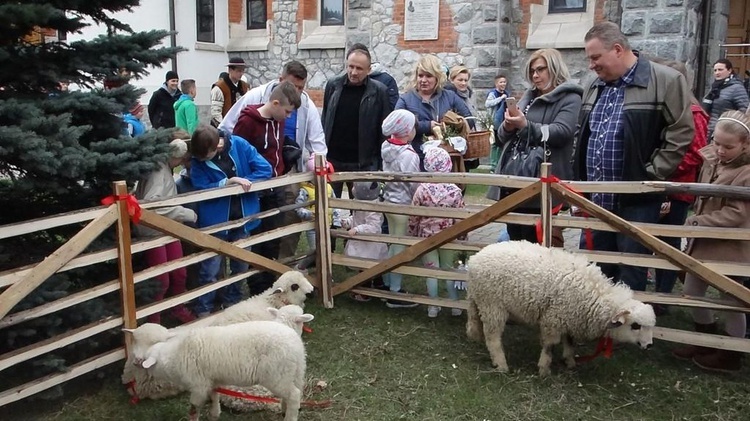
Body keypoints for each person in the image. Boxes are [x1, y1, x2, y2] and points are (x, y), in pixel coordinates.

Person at [572, 22, 694, 291]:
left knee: (631, 270)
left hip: (637, 201)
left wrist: (650, 173)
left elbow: (681, 131)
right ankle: (597, 329)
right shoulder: (594, 85)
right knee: (595, 270)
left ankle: (628, 332)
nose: (591, 65)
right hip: (596, 199)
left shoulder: (666, 81)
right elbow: (583, 132)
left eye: (595, 57)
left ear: (617, 50)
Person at [220, 61, 329, 260]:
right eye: (293, 86)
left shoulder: (305, 103)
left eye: (301, 88)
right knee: (256, 223)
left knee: (287, 219)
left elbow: (317, 139)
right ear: (281, 81)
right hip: (255, 177)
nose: (297, 92)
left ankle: (281, 264)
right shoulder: (256, 97)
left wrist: (319, 164)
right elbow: (228, 128)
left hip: (286, 172)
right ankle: (256, 265)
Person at [671, 111, 750, 372]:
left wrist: (699, 221)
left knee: (732, 298)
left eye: (728, 146)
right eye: (716, 142)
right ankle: (705, 339)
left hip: (729, 247)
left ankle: (732, 353)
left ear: (745, 145)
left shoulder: (745, 173)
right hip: (704, 243)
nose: (720, 150)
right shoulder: (712, 162)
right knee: (692, 292)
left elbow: (737, 213)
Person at [487, 48, 582, 245]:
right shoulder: (527, 97)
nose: (535, 75)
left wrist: (525, 126)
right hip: (516, 180)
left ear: (554, 69)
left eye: (540, 70)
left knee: (539, 245)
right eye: (532, 71)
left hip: (543, 184)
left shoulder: (570, 98)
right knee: (515, 239)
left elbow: (562, 132)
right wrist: (507, 125)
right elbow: (503, 137)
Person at [189, 125, 273, 317]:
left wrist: (245, 181)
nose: (200, 161)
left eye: (204, 157)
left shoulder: (239, 145)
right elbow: (200, 186)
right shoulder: (198, 159)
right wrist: (228, 183)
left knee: (240, 266)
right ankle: (204, 310)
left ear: (216, 147)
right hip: (215, 222)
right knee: (210, 269)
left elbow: (264, 168)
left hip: (243, 218)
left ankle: (232, 306)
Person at [232, 81, 302, 294]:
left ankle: (270, 284)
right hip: (256, 190)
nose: (288, 117)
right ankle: (257, 288)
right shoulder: (247, 122)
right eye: (287, 111)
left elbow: (276, 151)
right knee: (258, 239)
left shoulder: (278, 122)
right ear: (275, 103)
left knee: (273, 238)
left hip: (275, 187)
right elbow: (239, 153)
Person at [649, 58, 709, 304]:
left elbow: (695, 153)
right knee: (653, 239)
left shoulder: (694, 114)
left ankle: (664, 295)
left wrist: (662, 168)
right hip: (659, 185)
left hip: (677, 189)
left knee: (669, 242)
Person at [134, 133, 197, 324]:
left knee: (179, 273)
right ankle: (155, 320)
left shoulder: (165, 168)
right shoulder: (158, 172)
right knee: (161, 279)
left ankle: (176, 309)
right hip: (154, 230)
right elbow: (152, 205)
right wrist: (184, 214)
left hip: (169, 228)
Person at [322, 44, 392, 198]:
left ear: (369, 70)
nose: (354, 72)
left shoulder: (379, 91)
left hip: (362, 162)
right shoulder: (333, 85)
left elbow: (384, 129)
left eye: (359, 68)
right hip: (333, 160)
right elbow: (325, 118)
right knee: (330, 208)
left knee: (361, 210)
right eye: (351, 66)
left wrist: (379, 163)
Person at [408, 147, 464, 318]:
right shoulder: (455, 191)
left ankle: (433, 306)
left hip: (427, 237)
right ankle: (455, 305)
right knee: (448, 270)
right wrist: (462, 236)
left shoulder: (422, 190)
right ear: (448, 164)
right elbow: (461, 217)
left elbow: (414, 215)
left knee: (431, 270)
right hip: (449, 237)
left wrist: (411, 233)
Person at [395, 54, 472, 166]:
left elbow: (469, 119)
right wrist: (426, 126)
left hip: (446, 160)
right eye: (420, 76)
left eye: (429, 76)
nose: (423, 80)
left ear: (437, 77)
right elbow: (397, 126)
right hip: (415, 160)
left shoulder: (450, 96)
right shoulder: (406, 99)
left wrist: (449, 125)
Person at [381, 109, 420, 309]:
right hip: (402, 204)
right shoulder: (409, 155)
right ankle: (395, 292)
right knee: (399, 246)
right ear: (407, 131)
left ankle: (387, 282)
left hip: (388, 200)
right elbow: (413, 182)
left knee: (392, 243)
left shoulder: (386, 147)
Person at [341, 181, 390, 302]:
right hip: (362, 241)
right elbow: (358, 218)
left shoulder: (373, 208)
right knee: (366, 265)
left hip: (370, 242)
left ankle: (366, 292)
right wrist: (348, 221)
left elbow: (373, 226)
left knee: (367, 266)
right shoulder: (360, 202)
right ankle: (378, 286)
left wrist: (358, 229)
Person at [295, 154, 341, 272]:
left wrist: (337, 220)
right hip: (312, 226)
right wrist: (309, 214)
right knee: (317, 249)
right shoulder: (305, 190)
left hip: (328, 224)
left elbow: (335, 204)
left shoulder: (329, 187)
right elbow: (298, 208)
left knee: (327, 250)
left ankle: (325, 273)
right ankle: (302, 267)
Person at [702, 59, 749, 138]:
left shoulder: (737, 88)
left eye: (720, 70)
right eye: (715, 70)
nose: (717, 73)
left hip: (726, 132)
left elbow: (744, 112)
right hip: (709, 130)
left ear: (729, 70)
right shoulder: (715, 87)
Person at [210, 57, 249, 127]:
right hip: (223, 128)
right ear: (230, 70)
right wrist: (224, 127)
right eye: (238, 71)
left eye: (242, 71)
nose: (241, 74)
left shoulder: (245, 86)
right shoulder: (219, 87)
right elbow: (216, 113)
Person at [485, 74, 510, 169]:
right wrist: (500, 99)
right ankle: (493, 165)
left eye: (504, 82)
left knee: (502, 143)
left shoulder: (506, 93)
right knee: (495, 144)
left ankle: (500, 164)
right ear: (496, 84)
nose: (503, 84)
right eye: (501, 82)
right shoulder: (493, 94)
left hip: (504, 122)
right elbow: (487, 104)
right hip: (494, 122)